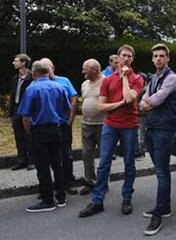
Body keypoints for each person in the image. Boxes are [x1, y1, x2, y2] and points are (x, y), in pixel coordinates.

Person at [79, 44, 143, 218]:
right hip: (110, 125)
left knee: (129, 163)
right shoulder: (107, 80)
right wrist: (119, 104)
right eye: (123, 55)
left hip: (129, 126)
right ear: (118, 57)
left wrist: (124, 77)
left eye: (130, 56)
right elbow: (101, 106)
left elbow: (130, 98)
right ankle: (97, 201)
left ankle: (127, 198)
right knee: (104, 163)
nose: (126, 58)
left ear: (132, 59)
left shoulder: (137, 79)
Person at [17, 60, 71, 212]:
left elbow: (26, 116)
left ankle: (47, 200)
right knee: (57, 163)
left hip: (39, 130)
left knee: (42, 166)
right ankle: (61, 197)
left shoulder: (32, 89)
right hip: (56, 128)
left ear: (34, 74)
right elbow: (66, 110)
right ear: (48, 72)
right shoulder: (60, 87)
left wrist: (29, 132)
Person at [141, 43, 176, 236]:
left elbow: (157, 99)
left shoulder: (171, 77)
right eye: (155, 56)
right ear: (152, 59)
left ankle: (159, 213)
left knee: (162, 172)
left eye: (161, 56)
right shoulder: (153, 78)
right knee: (160, 170)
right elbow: (144, 100)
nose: (158, 59)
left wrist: (147, 103)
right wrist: (147, 103)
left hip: (164, 129)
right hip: (152, 127)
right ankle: (164, 207)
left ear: (167, 58)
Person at [40, 58, 78, 195]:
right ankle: (50, 186)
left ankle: (69, 182)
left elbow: (73, 100)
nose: (45, 70)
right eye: (43, 68)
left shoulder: (64, 81)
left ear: (53, 67)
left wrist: (70, 120)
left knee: (66, 155)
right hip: (47, 126)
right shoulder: (38, 83)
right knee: (47, 157)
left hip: (63, 125)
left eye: (47, 67)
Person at [79, 59, 106, 196]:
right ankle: (89, 181)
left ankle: (103, 183)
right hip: (86, 124)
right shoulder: (84, 84)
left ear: (94, 70)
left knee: (104, 155)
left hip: (103, 124)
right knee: (86, 154)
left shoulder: (106, 81)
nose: (83, 71)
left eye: (85, 69)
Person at [9, 53, 34, 171]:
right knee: (18, 137)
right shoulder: (15, 78)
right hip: (16, 110)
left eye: (16, 61)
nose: (14, 63)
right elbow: (12, 95)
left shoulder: (32, 78)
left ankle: (31, 161)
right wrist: (11, 111)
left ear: (23, 63)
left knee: (29, 135)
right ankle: (22, 160)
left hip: (28, 111)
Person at [135, 72, 149, 159]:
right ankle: (141, 149)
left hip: (142, 114)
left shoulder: (144, 90)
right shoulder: (140, 89)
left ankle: (142, 150)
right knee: (140, 133)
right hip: (138, 114)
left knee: (141, 133)